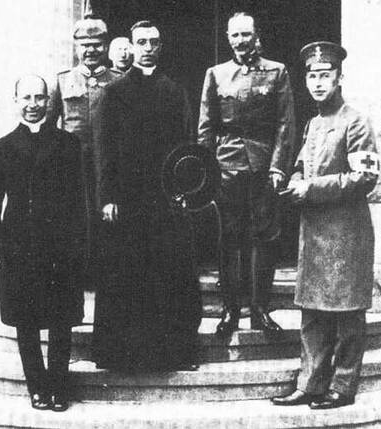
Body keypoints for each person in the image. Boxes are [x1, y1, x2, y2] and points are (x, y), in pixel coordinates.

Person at [271, 41, 380, 410]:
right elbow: (304, 163)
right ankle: (311, 384)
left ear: (339, 78)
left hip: (347, 232)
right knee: (313, 313)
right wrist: (296, 177)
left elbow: (365, 177)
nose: (318, 83)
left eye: (325, 75)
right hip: (314, 232)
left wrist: (310, 188)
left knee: (347, 313)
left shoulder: (356, 121)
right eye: (312, 76)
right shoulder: (314, 124)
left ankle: (343, 386)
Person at [92, 20, 201, 372]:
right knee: (127, 276)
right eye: (142, 42)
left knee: (169, 275)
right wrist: (106, 197)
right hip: (127, 200)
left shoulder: (175, 91)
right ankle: (122, 356)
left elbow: (188, 145)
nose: (148, 48)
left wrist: (186, 191)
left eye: (154, 41)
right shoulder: (115, 92)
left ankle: (173, 355)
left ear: (161, 46)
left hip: (166, 199)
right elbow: (104, 150)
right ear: (132, 47)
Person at [0, 74, 85, 412]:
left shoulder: (68, 145)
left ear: (48, 102)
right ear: (16, 101)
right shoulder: (0, 149)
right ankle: (36, 387)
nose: (32, 105)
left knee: (60, 319)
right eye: (25, 98)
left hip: (60, 245)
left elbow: (77, 200)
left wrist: (79, 244)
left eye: (39, 98)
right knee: (26, 320)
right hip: (19, 246)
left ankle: (58, 387)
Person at [197, 12, 295, 337]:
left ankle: (260, 309)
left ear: (256, 36)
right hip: (226, 167)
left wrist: (279, 167)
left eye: (246, 35)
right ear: (228, 38)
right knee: (229, 237)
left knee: (264, 237)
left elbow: (285, 125)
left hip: (264, 167)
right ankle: (230, 310)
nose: (241, 41)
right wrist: (206, 171)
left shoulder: (276, 72)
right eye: (235, 35)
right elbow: (206, 128)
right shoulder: (216, 74)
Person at [51, 15, 123, 276]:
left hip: (109, 169)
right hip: (72, 168)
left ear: (106, 46)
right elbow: (49, 130)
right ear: (76, 47)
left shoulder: (119, 81)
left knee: (109, 228)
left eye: (97, 44)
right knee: (76, 226)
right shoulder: (62, 81)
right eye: (85, 45)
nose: (91, 50)